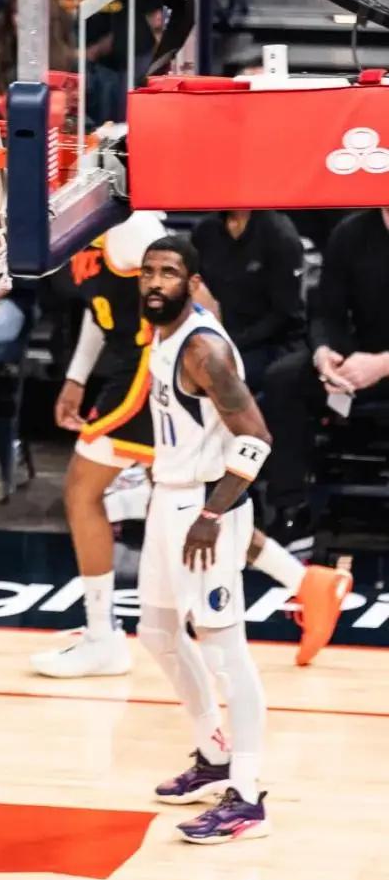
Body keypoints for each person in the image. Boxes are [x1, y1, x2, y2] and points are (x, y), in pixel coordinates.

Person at [31, 216, 350, 677]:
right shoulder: (82, 224)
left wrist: (209, 379)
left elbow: (196, 301)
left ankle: (103, 638)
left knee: (84, 491)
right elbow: (99, 308)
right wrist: (77, 376)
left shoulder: (131, 227)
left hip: (150, 374)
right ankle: (308, 583)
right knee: (168, 499)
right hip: (129, 368)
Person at [137, 236, 277, 844]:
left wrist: (212, 514)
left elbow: (257, 438)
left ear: (191, 284)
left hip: (205, 509)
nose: (155, 281)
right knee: (157, 632)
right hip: (169, 496)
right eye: (148, 271)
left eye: (169, 273)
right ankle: (212, 753)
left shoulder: (201, 350)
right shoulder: (166, 330)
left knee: (225, 652)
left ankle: (246, 796)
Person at [263, 207, 389, 551]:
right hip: (359, 360)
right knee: (284, 379)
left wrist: (382, 364)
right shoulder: (351, 232)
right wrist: (324, 354)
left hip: (379, 363)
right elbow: (325, 311)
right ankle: (292, 509)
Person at [190, 209, 306, 393]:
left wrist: (231, 343)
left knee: (216, 376)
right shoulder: (205, 230)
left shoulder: (279, 234)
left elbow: (284, 313)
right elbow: (193, 282)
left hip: (271, 341)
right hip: (216, 332)